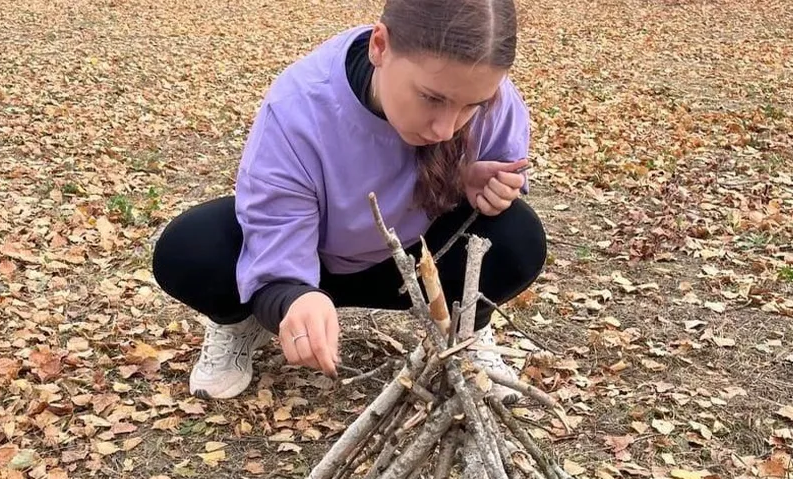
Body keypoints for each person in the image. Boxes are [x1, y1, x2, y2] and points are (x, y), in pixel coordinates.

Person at [151, 0, 548, 400]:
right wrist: (292, 296)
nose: (446, 128)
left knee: (517, 235)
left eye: (471, 107)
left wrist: (478, 188)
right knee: (191, 249)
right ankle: (239, 322)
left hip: (408, 266)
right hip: (314, 259)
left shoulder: (491, 96)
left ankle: (466, 331)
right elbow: (275, 227)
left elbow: (497, 181)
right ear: (380, 46)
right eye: (431, 98)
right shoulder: (300, 106)